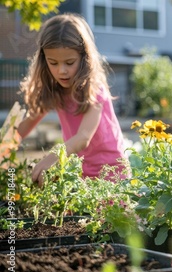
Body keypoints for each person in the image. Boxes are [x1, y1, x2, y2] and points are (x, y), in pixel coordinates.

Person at [15, 13, 128, 184]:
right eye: (53, 63)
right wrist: (5, 145)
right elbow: (27, 123)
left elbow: (83, 137)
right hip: (78, 173)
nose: (61, 71)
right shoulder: (55, 89)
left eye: (69, 63)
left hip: (111, 173)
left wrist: (50, 158)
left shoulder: (94, 89)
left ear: (84, 59)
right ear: (44, 61)